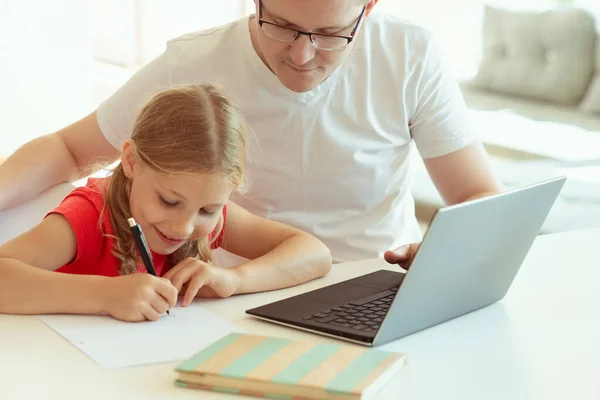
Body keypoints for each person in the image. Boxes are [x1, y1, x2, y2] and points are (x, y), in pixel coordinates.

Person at [0, 0, 502, 267]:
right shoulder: (194, 62)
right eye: (280, 25)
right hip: (236, 291)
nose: (302, 56)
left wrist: (443, 252)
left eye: (330, 36)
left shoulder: (409, 54)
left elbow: (478, 194)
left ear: (369, 8)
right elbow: (68, 150)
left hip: (375, 283)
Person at [0, 84, 332, 322]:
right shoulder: (89, 215)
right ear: (131, 161)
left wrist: (236, 279)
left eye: (207, 210)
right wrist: (105, 295)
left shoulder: (208, 219)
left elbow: (314, 253)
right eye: (169, 201)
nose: (184, 227)